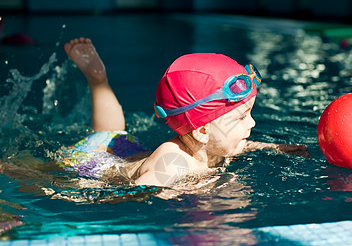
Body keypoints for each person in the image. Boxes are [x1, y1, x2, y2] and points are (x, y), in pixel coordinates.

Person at [2, 37, 310, 188]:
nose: (252, 123)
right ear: (202, 130)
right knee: (45, 179)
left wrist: (276, 148)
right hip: (91, 165)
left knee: (112, 135)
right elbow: (143, 191)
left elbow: (239, 145)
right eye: (241, 117)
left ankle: (99, 80)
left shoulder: (210, 143)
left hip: (124, 149)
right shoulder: (172, 161)